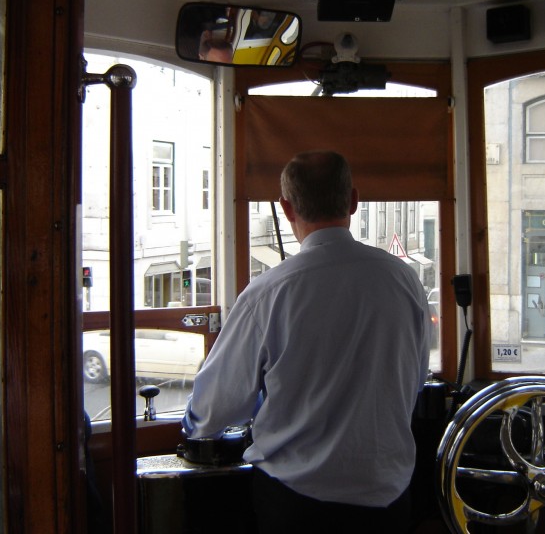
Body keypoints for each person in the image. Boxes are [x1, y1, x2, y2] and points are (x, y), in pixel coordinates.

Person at [182, 150, 431, 533]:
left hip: (296, 504)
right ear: (353, 200)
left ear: (286, 208)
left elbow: (214, 409)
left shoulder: (267, 293)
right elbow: (413, 380)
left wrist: (194, 424)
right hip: (390, 501)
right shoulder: (404, 281)